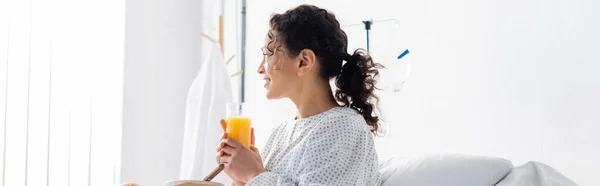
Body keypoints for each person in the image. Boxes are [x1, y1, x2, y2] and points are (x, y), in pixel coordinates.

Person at [216, 4, 383, 186]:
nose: (259, 68)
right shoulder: (280, 133)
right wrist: (239, 176)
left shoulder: (345, 127)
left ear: (304, 62)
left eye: (267, 54)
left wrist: (253, 174)